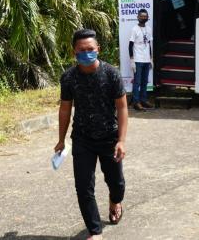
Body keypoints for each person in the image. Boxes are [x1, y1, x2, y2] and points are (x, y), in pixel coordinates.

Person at [55, 29, 128, 240]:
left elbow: (122, 108)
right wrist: (61, 140)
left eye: (90, 49)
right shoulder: (68, 77)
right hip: (82, 139)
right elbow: (65, 109)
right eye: (81, 50)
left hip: (109, 138)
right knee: (83, 186)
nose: (86, 53)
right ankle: (95, 231)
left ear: (98, 49)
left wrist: (121, 141)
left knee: (117, 182)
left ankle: (115, 200)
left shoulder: (111, 73)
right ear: (74, 52)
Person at [129, 9, 153, 111]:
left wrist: (151, 58)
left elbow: (149, 44)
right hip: (138, 60)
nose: (143, 17)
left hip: (146, 59)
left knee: (144, 81)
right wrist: (132, 60)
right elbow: (130, 45)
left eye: (145, 16)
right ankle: (136, 102)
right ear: (138, 17)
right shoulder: (134, 29)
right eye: (141, 16)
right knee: (137, 82)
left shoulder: (149, 28)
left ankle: (144, 100)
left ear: (147, 17)